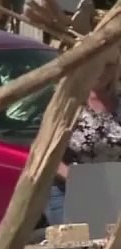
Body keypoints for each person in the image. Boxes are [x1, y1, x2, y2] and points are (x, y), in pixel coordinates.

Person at [45, 54, 121, 226]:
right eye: (96, 64)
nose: (102, 71)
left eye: (108, 65)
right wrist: (78, 180)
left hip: (112, 193)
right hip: (68, 191)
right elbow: (47, 152)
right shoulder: (69, 102)